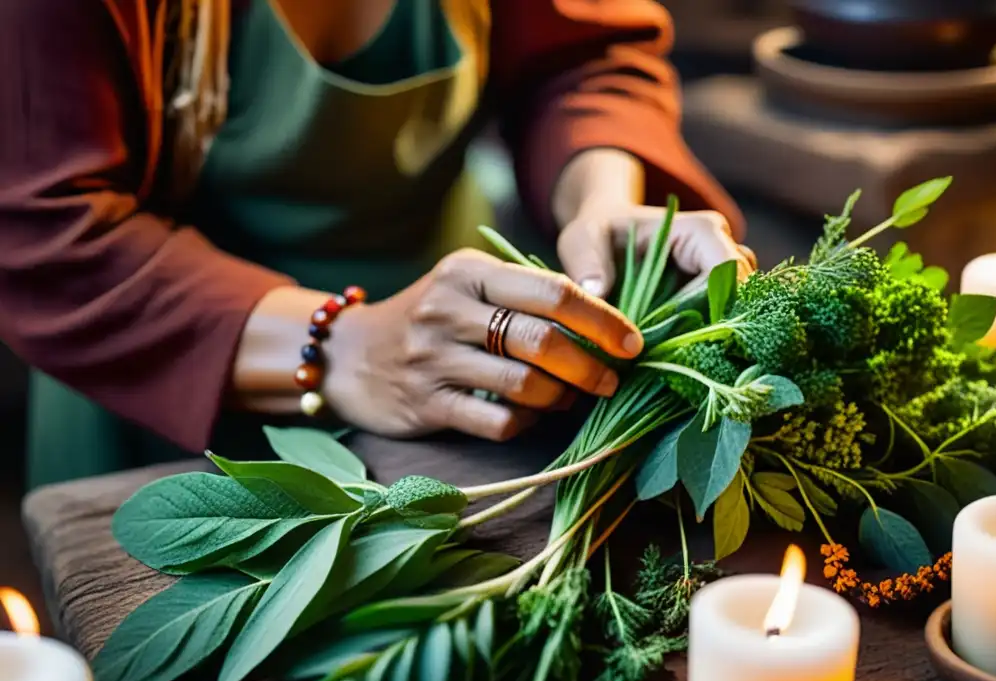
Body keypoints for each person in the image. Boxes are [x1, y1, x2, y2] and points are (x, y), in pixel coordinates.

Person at [0, 0, 753, 490]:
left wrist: (602, 200)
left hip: (457, 373)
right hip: (163, 378)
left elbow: (581, 58)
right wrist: (348, 346)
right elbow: (46, 222)